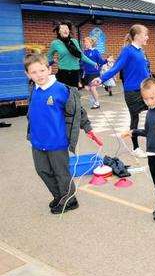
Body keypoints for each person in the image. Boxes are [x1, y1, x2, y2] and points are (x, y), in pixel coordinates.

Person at [24, 53, 100, 214]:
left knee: (61, 173)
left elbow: (78, 111)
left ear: (49, 69)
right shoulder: (33, 90)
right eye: (34, 72)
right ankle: (59, 196)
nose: (39, 75)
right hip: (38, 141)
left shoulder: (61, 90)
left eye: (42, 70)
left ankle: (70, 199)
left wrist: (88, 128)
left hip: (57, 141)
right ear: (28, 74)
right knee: (42, 170)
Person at [92, 24, 151, 158]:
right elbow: (116, 67)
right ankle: (136, 148)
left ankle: (149, 137)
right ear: (137, 36)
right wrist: (101, 79)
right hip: (132, 92)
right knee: (135, 118)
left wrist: (151, 83)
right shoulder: (127, 51)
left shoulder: (141, 51)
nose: (147, 37)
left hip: (145, 89)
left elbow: (145, 71)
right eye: (145, 35)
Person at [122, 79, 155, 222]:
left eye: (152, 98)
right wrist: (133, 131)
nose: (149, 102)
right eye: (145, 99)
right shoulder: (150, 111)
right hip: (152, 153)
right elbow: (148, 131)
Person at [47, 21, 96, 87]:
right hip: (63, 72)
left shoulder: (74, 41)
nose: (65, 30)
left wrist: (93, 63)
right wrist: (51, 63)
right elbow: (49, 56)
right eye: (63, 28)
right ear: (59, 31)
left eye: (67, 28)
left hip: (75, 72)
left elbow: (81, 55)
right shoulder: (55, 43)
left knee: (73, 93)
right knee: (63, 93)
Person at [80, 37, 107, 109]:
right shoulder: (84, 52)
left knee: (92, 87)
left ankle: (97, 103)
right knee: (87, 88)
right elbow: (82, 63)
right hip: (87, 73)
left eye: (86, 42)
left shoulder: (95, 51)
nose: (85, 44)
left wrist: (107, 60)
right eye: (84, 42)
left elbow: (101, 62)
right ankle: (94, 99)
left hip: (94, 73)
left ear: (91, 43)